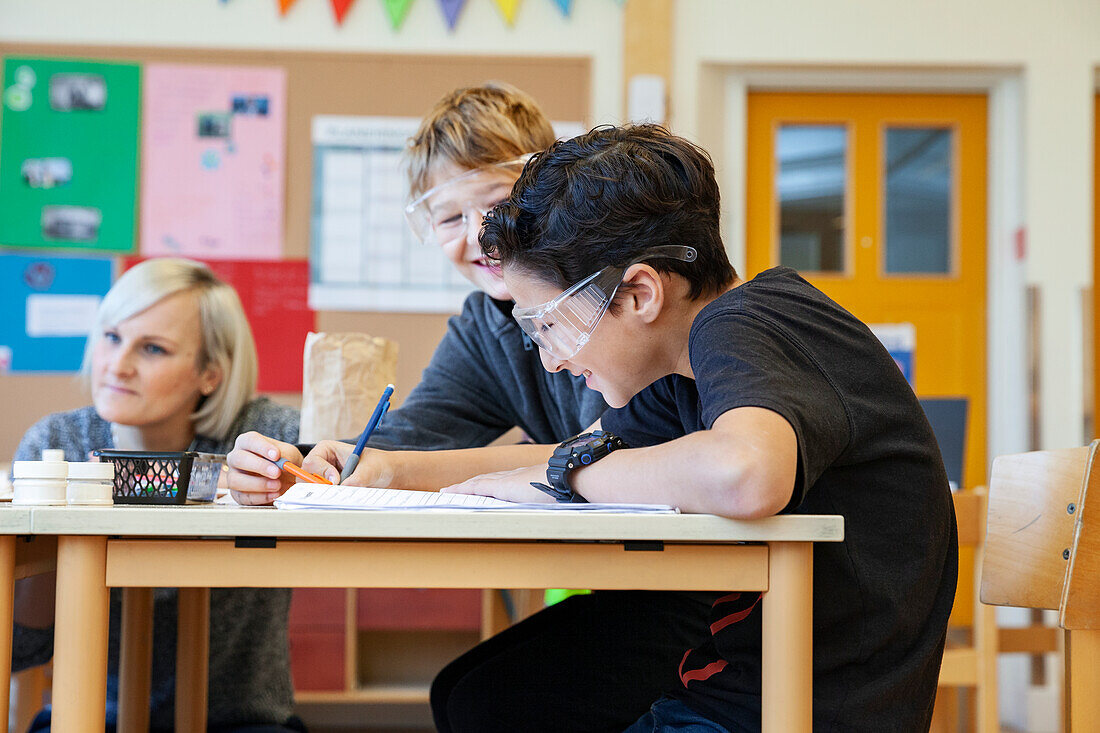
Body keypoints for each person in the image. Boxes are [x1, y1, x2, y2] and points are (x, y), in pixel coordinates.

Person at [227, 84, 717, 732]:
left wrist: (420, 468)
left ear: (550, 198)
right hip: (637, 585)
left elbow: (622, 444)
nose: (480, 235)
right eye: (450, 218)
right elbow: (409, 439)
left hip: (716, 592)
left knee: (485, 702)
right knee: (458, 690)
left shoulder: (623, 303)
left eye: (498, 204)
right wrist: (315, 458)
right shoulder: (487, 325)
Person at [448, 123, 958, 731]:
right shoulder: (683, 371)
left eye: (550, 325)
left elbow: (744, 475)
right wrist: (384, 469)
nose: (552, 357)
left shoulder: (747, 323)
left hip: (797, 714)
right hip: (729, 700)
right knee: (486, 698)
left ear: (639, 293)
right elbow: (567, 455)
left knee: (496, 704)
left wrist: (573, 473)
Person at [12, 258, 303, 732]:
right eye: (111, 337)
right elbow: (20, 650)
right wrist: (55, 536)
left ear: (210, 373)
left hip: (242, 721)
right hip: (92, 717)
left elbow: (352, 467)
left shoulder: (260, 434)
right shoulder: (57, 443)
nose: (118, 366)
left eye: (152, 348)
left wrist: (276, 476)